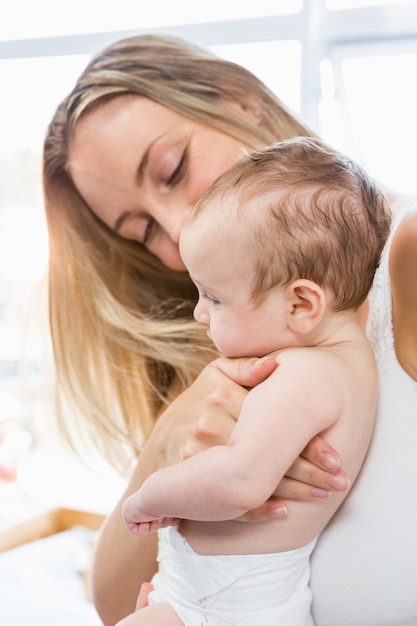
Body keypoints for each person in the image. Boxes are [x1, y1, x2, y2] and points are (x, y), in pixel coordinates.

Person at [42, 34, 417, 626]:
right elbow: (116, 605)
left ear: (239, 99)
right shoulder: (235, 340)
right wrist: (165, 442)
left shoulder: (404, 258)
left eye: (173, 169)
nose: (175, 224)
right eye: (140, 230)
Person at [115, 137, 390, 626]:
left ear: (302, 305)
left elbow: (240, 482)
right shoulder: (346, 360)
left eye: (214, 298)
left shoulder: (305, 374)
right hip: (215, 595)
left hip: (224, 606)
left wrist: (148, 496)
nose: (200, 313)